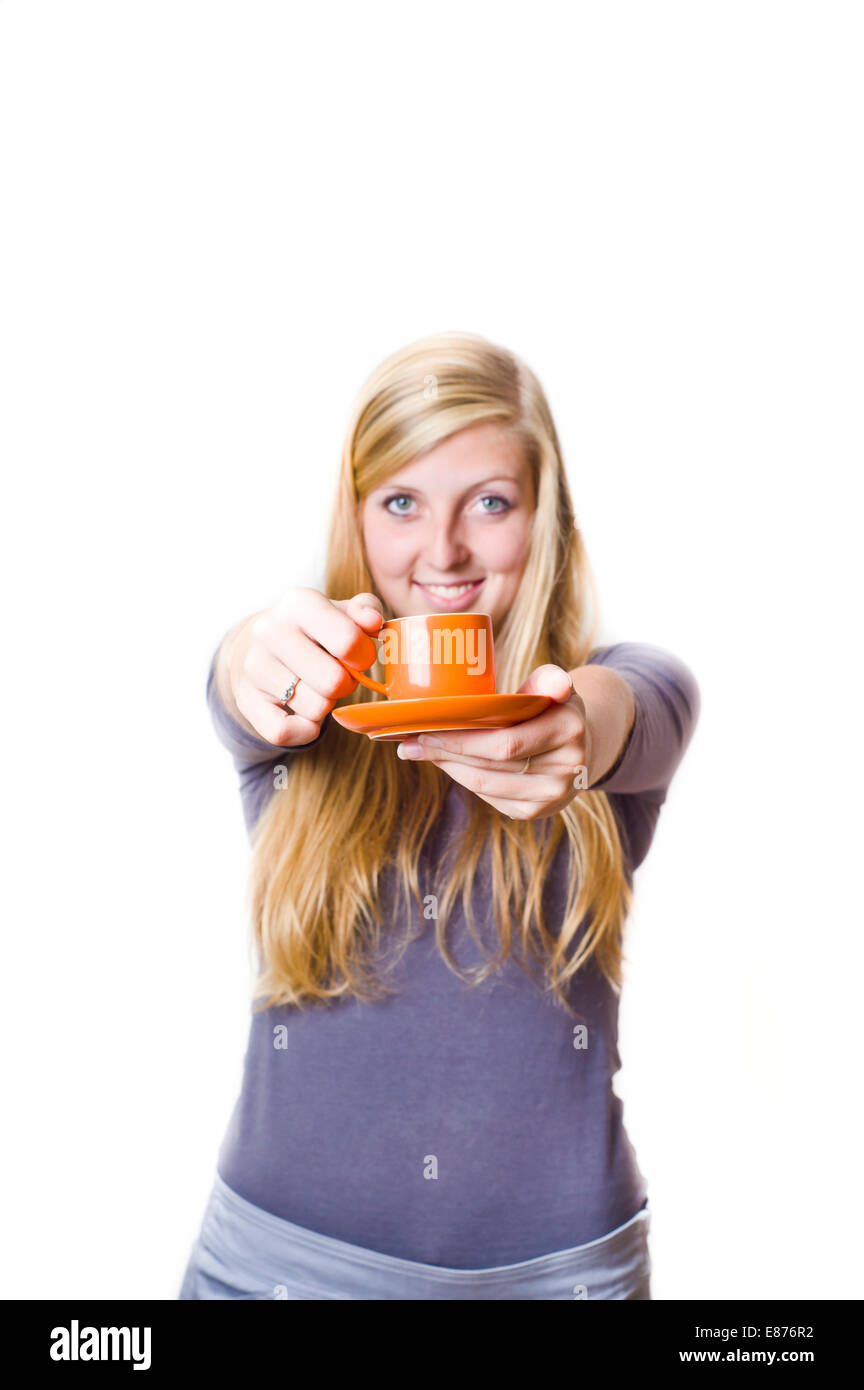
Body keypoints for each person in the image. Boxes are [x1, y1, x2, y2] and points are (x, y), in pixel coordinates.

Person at [178, 331, 699, 1300]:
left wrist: (575, 725)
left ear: (546, 518)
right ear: (358, 515)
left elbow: (644, 705)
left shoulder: (624, 692)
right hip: (278, 1273)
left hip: (562, 1281)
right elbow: (236, 681)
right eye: (402, 503)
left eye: (490, 503)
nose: (443, 551)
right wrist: (250, 648)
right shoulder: (301, 709)